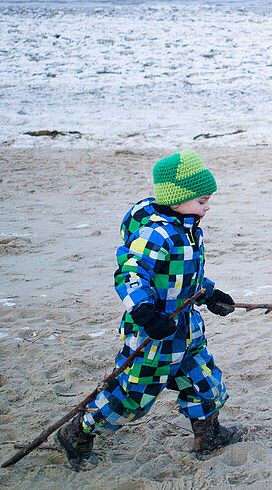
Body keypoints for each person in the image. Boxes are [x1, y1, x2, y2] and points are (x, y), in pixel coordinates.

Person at [57, 150, 244, 469]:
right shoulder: (156, 234)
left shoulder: (186, 227)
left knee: (205, 380)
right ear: (177, 198)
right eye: (201, 201)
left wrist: (209, 295)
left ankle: (207, 434)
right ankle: (79, 432)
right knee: (132, 396)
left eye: (208, 200)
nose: (207, 207)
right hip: (153, 334)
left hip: (185, 329)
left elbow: (185, 275)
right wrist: (144, 313)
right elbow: (130, 273)